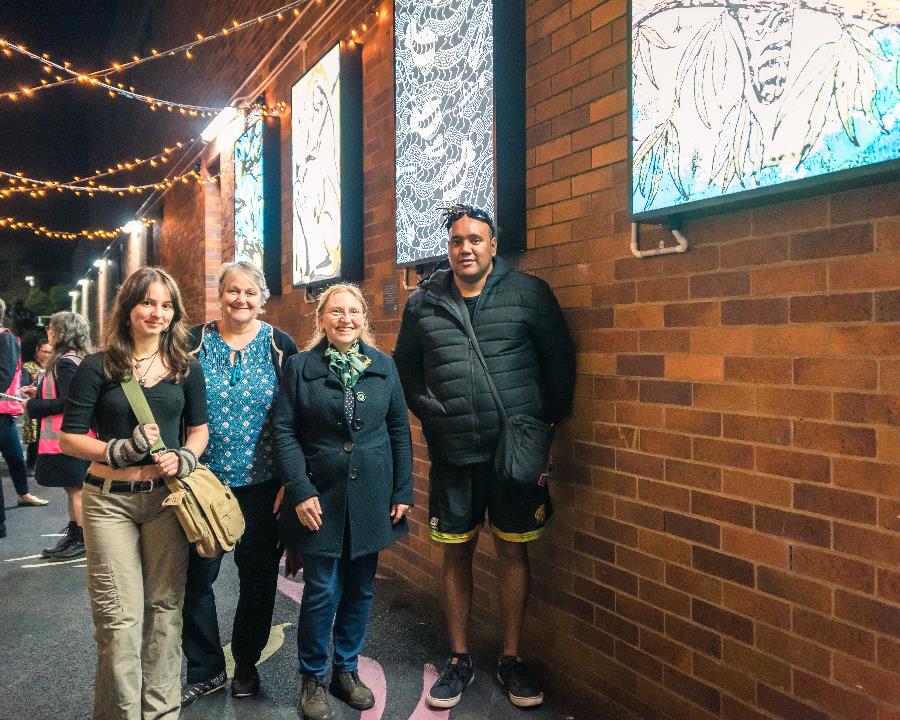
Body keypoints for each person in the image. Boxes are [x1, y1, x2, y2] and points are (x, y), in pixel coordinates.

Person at [393, 204, 576, 709]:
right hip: (454, 452)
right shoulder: (423, 303)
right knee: (457, 550)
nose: (465, 248)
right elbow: (404, 369)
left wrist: (544, 426)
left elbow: (559, 362)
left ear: (493, 245)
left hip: (513, 454)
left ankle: (512, 658)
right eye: (456, 241)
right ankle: (458, 659)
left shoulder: (529, 295)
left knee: (514, 549)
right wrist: (433, 411)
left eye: (475, 239)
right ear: (447, 248)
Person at [59, 267, 209, 720]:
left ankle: (161, 713)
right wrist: (117, 449)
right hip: (108, 502)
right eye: (148, 302)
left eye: (166, 305)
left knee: (165, 612)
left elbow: (198, 431)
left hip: (166, 502)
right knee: (119, 622)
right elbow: (69, 439)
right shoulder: (97, 365)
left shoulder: (186, 366)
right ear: (128, 308)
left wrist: (184, 456)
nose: (157, 313)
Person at [272, 283, 412, 720]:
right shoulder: (299, 367)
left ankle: (345, 672)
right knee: (321, 592)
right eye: (336, 311)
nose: (345, 319)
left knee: (359, 589)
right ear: (322, 319)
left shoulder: (384, 365)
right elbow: (283, 432)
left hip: (372, 496)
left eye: (353, 311)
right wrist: (300, 489)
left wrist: (402, 490)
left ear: (363, 318)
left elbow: (398, 432)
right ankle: (313, 677)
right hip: (319, 497)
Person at [180, 261, 298, 707]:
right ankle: (207, 668)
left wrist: (292, 479)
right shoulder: (190, 342)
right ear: (220, 294)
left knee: (258, 578)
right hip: (202, 484)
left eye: (250, 292)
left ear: (261, 297)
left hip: (263, 486)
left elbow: (293, 417)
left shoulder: (279, 345)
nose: (241, 300)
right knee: (196, 578)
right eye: (233, 291)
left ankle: (246, 663)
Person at [21, 313, 92, 560]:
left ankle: (81, 538)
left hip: (68, 438)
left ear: (62, 332)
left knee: (76, 490)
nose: (48, 331)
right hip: (69, 438)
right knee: (72, 488)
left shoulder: (63, 362)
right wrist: (38, 393)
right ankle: (74, 534)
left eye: (52, 328)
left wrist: (34, 406)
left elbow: (69, 401)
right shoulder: (73, 359)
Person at [0, 296, 48, 541]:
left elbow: (6, 374)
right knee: (15, 456)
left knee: (16, 457)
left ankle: (22, 496)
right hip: (4, 412)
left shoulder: (5, 338)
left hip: (2, 410)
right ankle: (23, 493)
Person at [21, 340, 53, 475]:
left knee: (49, 438)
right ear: (37, 351)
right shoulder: (28, 367)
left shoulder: (56, 366)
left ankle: (46, 466)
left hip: (50, 406)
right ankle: (30, 465)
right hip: (35, 404)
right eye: (44, 351)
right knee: (34, 439)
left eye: (50, 352)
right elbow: (23, 385)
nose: (47, 355)